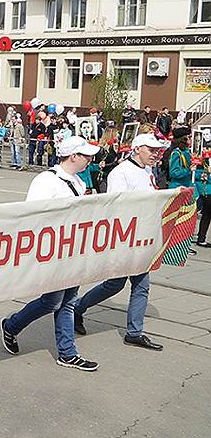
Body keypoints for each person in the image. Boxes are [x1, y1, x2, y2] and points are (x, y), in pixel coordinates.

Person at [0, 136, 100, 371]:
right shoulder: (46, 180)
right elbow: (32, 215)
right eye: (86, 155)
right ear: (73, 156)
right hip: (52, 252)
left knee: (66, 301)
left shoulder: (78, 181)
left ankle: (67, 353)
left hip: (72, 251)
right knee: (53, 301)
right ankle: (11, 325)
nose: (89, 160)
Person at [71, 133, 166, 351]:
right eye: (151, 149)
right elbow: (115, 208)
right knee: (116, 284)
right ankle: (78, 308)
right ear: (137, 149)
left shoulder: (148, 171)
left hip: (143, 238)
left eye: (157, 150)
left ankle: (134, 332)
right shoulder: (121, 173)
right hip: (127, 239)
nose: (156, 153)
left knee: (139, 285)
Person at [167, 128, 211, 246]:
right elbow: (174, 173)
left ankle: (182, 245)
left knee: (187, 219)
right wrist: (189, 170)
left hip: (189, 189)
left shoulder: (187, 152)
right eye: (189, 138)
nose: (191, 140)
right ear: (183, 139)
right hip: (179, 189)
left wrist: (202, 174)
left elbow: (192, 172)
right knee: (178, 218)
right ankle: (174, 244)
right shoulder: (177, 153)